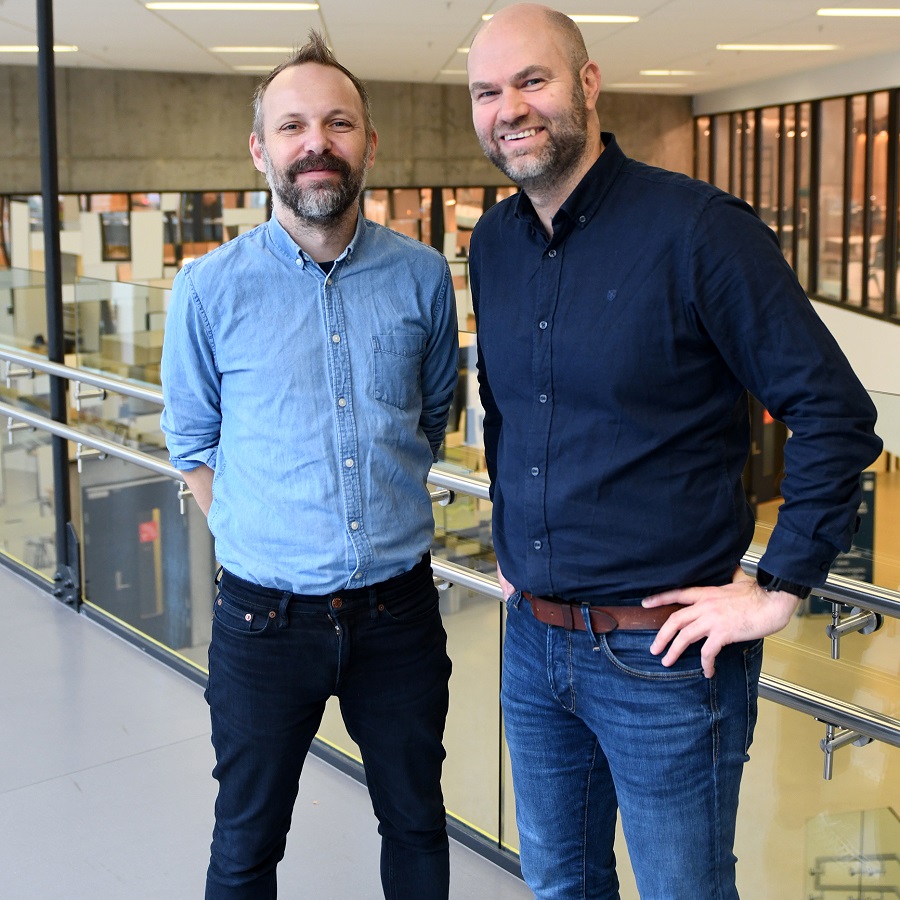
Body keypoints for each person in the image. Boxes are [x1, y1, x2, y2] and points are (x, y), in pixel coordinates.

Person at [465, 5, 882, 898]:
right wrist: (517, 540)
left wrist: (777, 588)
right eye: (487, 91)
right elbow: (511, 409)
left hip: (662, 659)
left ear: (586, 83)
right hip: (532, 646)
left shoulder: (699, 230)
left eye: (532, 80)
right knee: (560, 886)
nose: (510, 108)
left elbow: (835, 411)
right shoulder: (493, 242)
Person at [160, 31, 458, 899]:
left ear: (369, 142)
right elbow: (192, 443)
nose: (315, 142)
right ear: (261, 151)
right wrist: (267, 532)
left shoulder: (424, 277)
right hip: (263, 625)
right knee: (246, 846)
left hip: (398, 618)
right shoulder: (210, 288)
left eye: (337, 122)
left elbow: (428, 418)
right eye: (291, 126)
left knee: (415, 824)